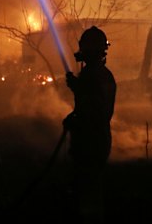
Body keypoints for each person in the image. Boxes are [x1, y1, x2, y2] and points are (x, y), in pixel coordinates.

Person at [63, 26, 116, 223]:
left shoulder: (93, 76)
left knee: (87, 188)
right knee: (91, 186)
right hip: (98, 138)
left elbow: (93, 109)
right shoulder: (102, 74)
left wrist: (78, 89)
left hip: (90, 141)